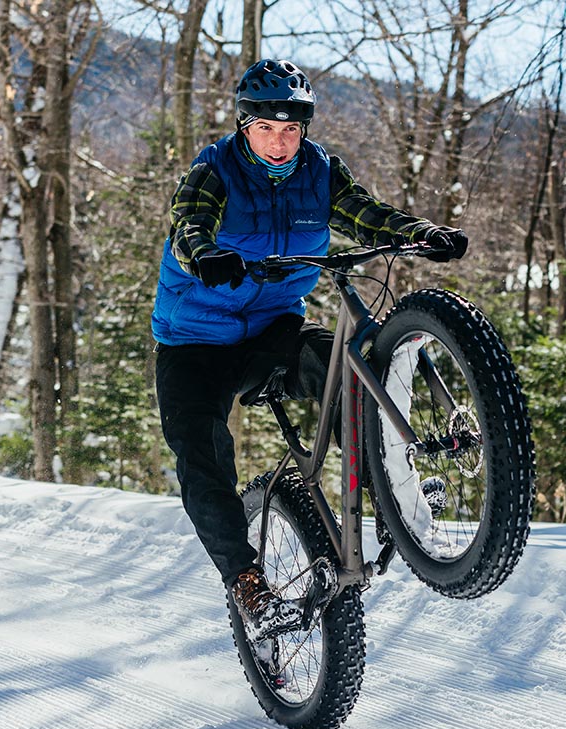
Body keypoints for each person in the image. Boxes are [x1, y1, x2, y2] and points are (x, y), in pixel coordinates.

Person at [152, 59, 467, 640]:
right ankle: (247, 580)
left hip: (273, 329)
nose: (280, 142)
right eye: (267, 129)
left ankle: (390, 490)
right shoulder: (214, 170)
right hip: (194, 341)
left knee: (346, 366)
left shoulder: (320, 172)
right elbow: (188, 224)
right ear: (245, 126)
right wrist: (207, 256)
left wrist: (420, 234)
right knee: (201, 456)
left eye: (291, 130)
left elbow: (366, 216)